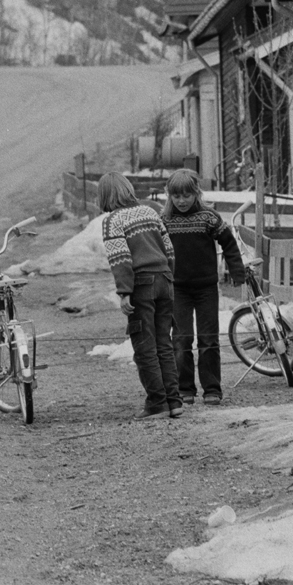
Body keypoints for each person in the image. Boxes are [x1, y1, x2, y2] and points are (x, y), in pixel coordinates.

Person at [98, 172, 183, 420]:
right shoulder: (150, 212)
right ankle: (174, 401)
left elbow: (120, 258)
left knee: (145, 347)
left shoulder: (113, 220)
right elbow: (169, 249)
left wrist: (124, 292)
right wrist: (170, 278)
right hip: (165, 279)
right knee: (163, 344)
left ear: (104, 196)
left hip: (142, 285)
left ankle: (157, 403)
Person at [162, 168, 246, 406]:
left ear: (196, 193)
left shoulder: (209, 217)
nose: (182, 201)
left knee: (208, 339)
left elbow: (228, 243)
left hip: (206, 289)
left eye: (187, 195)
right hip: (178, 290)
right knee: (181, 339)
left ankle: (212, 389)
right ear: (170, 196)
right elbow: (157, 251)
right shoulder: (165, 221)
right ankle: (184, 388)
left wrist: (237, 272)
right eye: (176, 196)